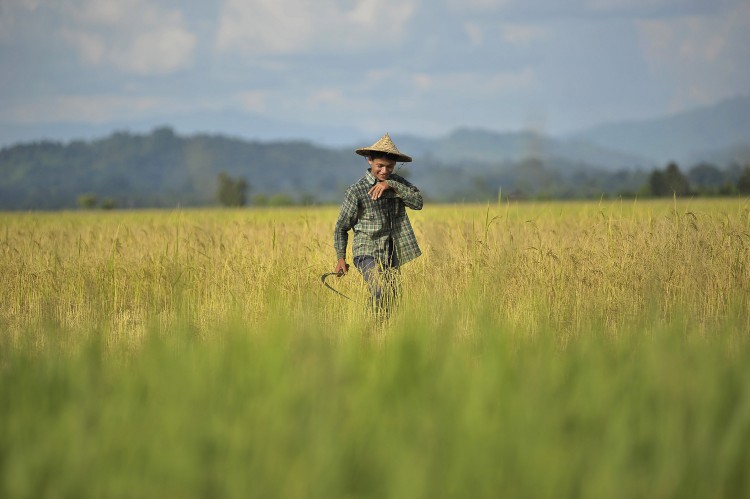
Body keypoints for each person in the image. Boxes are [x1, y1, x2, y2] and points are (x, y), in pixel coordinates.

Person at [334, 133, 423, 315]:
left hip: (391, 251)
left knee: (392, 297)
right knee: (378, 289)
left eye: (389, 167)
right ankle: (368, 328)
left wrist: (391, 185)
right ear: (369, 161)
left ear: (395, 166)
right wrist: (341, 258)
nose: (384, 171)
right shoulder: (356, 191)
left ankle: (379, 331)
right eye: (379, 166)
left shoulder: (398, 183)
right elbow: (342, 227)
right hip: (366, 250)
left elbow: (417, 203)